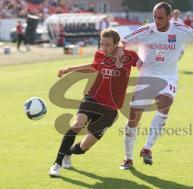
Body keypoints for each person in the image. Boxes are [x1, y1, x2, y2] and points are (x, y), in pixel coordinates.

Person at [118, 2, 193, 170]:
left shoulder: (180, 29)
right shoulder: (146, 30)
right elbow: (123, 41)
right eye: (154, 17)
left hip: (168, 76)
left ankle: (147, 148)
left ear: (169, 17)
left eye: (160, 18)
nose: (156, 21)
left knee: (165, 104)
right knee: (134, 117)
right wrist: (120, 52)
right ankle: (128, 158)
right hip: (147, 75)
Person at [49, 28, 140, 177]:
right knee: (77, 125)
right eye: (101, 43)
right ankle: (57, 164)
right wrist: (70, 69)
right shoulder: (100, 54)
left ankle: (68, 153)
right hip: (93, 98)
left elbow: (144, 66)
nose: (103, 48)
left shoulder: (130, 56)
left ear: (116, 44)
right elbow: (94, 66)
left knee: (84, 147)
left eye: (107, 45)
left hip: (110, 109)